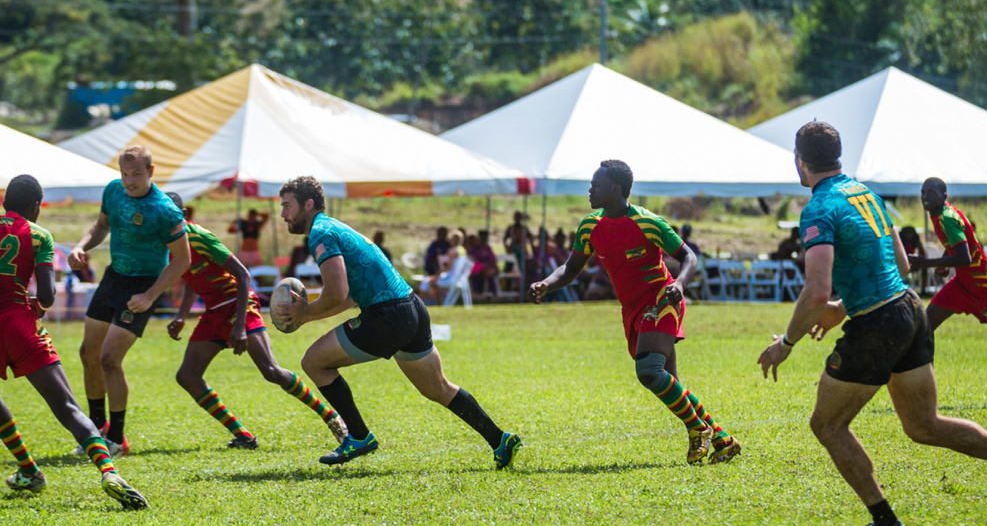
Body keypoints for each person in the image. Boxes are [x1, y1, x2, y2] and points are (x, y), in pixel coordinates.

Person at [757, 122, 987, 526]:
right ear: (838, 155)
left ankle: (886, 522)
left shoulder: (818, 208)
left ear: (799, 161)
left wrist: (788, 342)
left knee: (827, 425)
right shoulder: (865, 192)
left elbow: (815, 289)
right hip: (909, 309)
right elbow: (902, 267)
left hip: (877, 325)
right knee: (924, 426)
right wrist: (842, 306)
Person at [273, 176, 521, 469]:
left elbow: (337, 293)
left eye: (287, 206)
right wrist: (309, 314)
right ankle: (500, 439)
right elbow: (349, 298)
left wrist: (306, 313)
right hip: (412, 310)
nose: (283, 214)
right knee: (437, 388)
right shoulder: (335, 227)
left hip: (387, 317)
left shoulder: (321, 233)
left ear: (308, 204)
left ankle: (359, 436)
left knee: (314, 362)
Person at [531, 160, 740, 465]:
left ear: (615, 188)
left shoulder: (648, 222)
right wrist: (546, 284)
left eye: (596, 184)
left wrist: (680, 285)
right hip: (631, 308)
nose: (590, 189)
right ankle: (722, 438)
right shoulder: (591, 225)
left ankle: (698, 429)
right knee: (669, 382)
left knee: (649, 372)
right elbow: (571, 267)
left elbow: (689, 257)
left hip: (661, 299)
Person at [0, 174, 147, 509]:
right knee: (66, 406)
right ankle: (109, 472)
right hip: (21, 324)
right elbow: (49, 295)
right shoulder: (39, 235)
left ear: (6, 201)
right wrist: (37, 302)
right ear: (36, 206)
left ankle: (27, 467)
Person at [164, 193, 347, 449]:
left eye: (168, 215)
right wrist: (182, 317)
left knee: (271, 371)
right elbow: (189, 278)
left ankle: (332, 417)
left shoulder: (198, 236)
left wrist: (239, 325)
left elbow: (243, 274)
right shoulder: (170, 243)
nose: (162, 220)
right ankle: (243, 436)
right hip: (214, 311)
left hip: (238, 305)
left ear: (182, 216)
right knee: (187, 376)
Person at [67, 145, 191, 456]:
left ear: (151, 172)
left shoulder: (164, 210)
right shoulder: (114, 191)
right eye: (124, 173)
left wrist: (150, 295)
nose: (129, 181)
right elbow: (102, 226)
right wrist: (81, 246)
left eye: (136, 174)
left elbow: (182, 260)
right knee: (87, 354)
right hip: (113, 278)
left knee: (110, 359)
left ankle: (118, 439)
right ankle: (96, 433)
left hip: (143, 286)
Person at [907, 178, 987, 337]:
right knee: (925, 325)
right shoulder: (940, 214)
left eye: (931, 193)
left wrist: (926, 263)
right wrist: (943, 263)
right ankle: (924, 363)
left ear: (943, 197)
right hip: (963, 284)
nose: (925, 197)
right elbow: (955, 243)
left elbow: (965, 258)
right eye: (923, 193)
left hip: (985, 286)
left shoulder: (947, 218)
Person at [420, 229, 467, 305]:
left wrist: (439, 273)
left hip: (450, 279)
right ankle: (433, 302)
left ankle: (423, 303)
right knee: (433, 282)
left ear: (452, 240)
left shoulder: (451, 251)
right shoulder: (463, 251)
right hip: (459, 279)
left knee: (428, 281)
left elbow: (448, 268)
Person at [468, 230, 499, 296]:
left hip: (489, 268)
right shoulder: (472, 250)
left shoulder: (487, 248)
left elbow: (493, 260)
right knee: (475, 275)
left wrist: (485, 266)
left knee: (488, 274)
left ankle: (495, 294)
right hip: (479, 270)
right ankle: (478, 294)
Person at [898, 225, 927, 294]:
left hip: (912, 262)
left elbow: (922, 252)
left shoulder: (916, 241)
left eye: (910, 233)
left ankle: (923, 290)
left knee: (925, 268)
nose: (909, 235)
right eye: (907, 233)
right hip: (902, 262)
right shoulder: (900, 242)